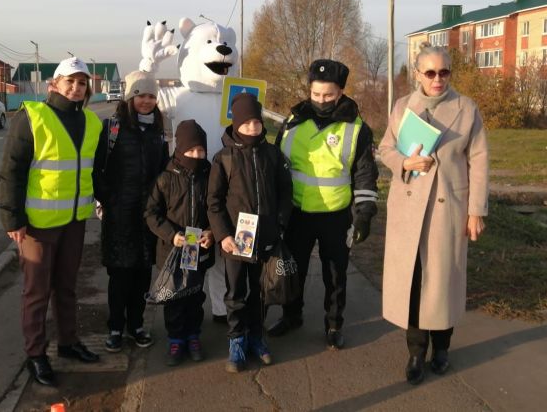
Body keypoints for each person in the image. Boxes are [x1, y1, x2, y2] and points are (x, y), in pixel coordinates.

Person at [378, 43, 489, 385]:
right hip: (409, 209)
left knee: (443, 282)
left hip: (448, 210)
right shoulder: (402, 107)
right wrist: (405, 162)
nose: (438, 79)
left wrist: (476, 211)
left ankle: (442, 348)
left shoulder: (467, 109)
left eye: (444, 72)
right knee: (413, 283)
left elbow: (480, 160)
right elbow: (385, 148)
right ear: (417, 74)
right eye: (430, 72)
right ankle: (415, 352)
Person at [0, 56, 103, 387]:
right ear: (54, 84)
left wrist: (106, 203)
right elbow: (11, 171)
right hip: (37, 226)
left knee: (68, 287)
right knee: (36, 292)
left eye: (82, 82)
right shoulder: (31, 117)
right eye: (70, 81)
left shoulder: (92, 122)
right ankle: (36, 354)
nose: (76, 87)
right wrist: (13, 218)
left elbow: (96, 171)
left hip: (74, 220)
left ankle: (69, 343)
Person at [269, 59, 380, 350]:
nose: (321, 101)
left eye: (328, 95)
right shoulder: (292, 122)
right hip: (296, 213)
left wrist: (365, 214)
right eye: (315, 94)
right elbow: (276, 164)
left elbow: (365, 174)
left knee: (335, 274)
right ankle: (291, 316)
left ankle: (333, 324)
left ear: (341, 92)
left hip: (334, 215)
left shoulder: (357, 129)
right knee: (292, 270)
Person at [207, 93, 293, 373]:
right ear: (236, 124)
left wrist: (279, 225)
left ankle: (257, 336)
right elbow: (214, 202)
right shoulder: (224, 158)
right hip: (235, 240)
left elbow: (284, 192)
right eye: (247, 123)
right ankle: (236, 340)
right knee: (236, 293)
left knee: (260, 291)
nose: (253, 128)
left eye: (257, 122)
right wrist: (224, 236)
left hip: (266, 237)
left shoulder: (272, 153)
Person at [92, 71, 168, 353]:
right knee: (120, 276)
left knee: (141, 274)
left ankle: (136, 325)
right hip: (119, 214)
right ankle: (115, 327)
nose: (146, 101)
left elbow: (163, 171)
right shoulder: (111, 128)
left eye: (151, 96)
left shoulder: (158, 130)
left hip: (148, 215)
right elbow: (97, 171)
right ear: (129, 97)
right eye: (140, 95)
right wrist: (109, 200)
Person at [145, 119, 215, 366]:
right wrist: (171, 235)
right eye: (190, 150)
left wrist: (211, 232)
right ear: (179, 148)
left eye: (201, 151)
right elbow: (151, 214)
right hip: (172, 249)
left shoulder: (210, 175)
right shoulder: (165, 177)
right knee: (174, 297)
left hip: (199, 247)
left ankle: (193, 335)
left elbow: (217, 209)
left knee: (195, 295)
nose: (196, 155)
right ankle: (175, 339)